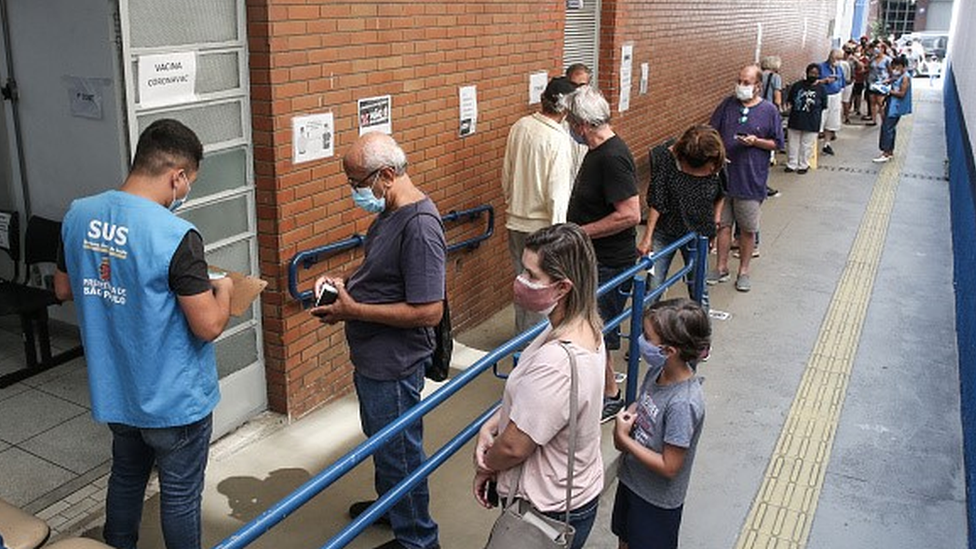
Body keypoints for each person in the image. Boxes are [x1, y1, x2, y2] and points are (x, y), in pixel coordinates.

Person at [54, 119, 234, 549]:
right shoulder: (176, 235)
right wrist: (224, 290)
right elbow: (208, 325)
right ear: (178, 176)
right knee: (179, 494)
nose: (186, 191)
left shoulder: (79, 213)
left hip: (117, 389)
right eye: (188, 182)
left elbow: (62, 289)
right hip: (174, 400)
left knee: (127, 476)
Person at [312, 132, 445, 549]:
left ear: (387, 174)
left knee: (401, 454)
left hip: (395, 363)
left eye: (356, 183)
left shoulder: (421, 227)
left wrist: (353, 311)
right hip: (374, 359)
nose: (354, 192)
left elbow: (429, 311)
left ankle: (418, 540)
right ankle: (392, 507)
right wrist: (346, 282)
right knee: (384, 444)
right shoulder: (389, 213)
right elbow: (383, 271)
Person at [473, 223, 606, 549]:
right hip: (573, 494)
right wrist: (494, 423)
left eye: (532, 276)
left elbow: (515, 447)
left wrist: (487, 466)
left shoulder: (556, 363)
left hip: (545, 511)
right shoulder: (585, 325)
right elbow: (540, 407)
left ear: (562, 288)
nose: (521, 281)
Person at [564, 85, 641, 422]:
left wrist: (581, 231)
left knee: (598, 330)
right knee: (594, 327)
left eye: (570, 120)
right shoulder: (598, 152)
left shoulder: (612, 156)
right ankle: (604, 390)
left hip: (608, 262)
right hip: (595, 259)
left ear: (582, 124)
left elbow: (630, 214)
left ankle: (610, 396)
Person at [610, 298, 709, 549]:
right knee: (625, 538)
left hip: (656, 501)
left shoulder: (683, 404)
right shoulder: (658, 371)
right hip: (632, 482)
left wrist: (624, 441)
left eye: (647, 336)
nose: (641, 340)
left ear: (669, 350)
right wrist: (630, 414)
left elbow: (670, 466)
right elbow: (643, 402)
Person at [501, 76, 577, 333]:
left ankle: (520, 340)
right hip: (544, 228)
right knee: (544, 290)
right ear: (566, 108)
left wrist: (512, 203)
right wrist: (560, 236)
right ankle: (533, 347)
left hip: (515, 220)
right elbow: (557, 193)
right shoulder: (558, 140)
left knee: (523, 285)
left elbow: (506, 174)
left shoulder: (520, 126)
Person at [708, 65, 784, 293]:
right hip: (725, 177)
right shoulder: (727, 105)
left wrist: (756, 142)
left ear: (758, 86)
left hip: (751, 179)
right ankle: (721, 267)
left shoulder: (769, 111)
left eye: (746, 82)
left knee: (747, 229)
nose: (741, 86)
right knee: (722, 225)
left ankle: (743, 270)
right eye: (739, 81)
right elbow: (712, 131)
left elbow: (777, 143)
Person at [637, 125, 725, 309]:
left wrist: (715, 223)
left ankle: (701, 333)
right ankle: (645, 333)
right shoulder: (667, 160)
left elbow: (721, 193)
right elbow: (657, 201)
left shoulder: (716, 160)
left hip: (699, 233)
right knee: (653, 286)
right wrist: (647, 237)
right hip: (666, 230)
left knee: (698, 289)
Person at [785, 64, 828, 174]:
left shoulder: (821, 89)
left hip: (812, 121)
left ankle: (803, 164)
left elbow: (824, 105)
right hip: (796, 119)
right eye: (811, 73)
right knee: (792, 144)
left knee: (807, 145)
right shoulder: (797, 86)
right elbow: (790, 100)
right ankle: (792, 164)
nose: (813, 75)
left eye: (816, 74)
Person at [873, 56, 913, 164]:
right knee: (890, 128)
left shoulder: (905, 77)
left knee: (887, 128)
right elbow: (894, 79)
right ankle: (889, 151)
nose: (894, 69)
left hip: (895, 107)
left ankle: (886, 152)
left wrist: (888, 91)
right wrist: (886, 82)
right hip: (892, 105)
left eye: (896, 66)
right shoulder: (901, 75)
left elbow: (901, 93)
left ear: (901, 66)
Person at [565, 63, 593, 181]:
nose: (577, 90)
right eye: (573, 85)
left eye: (582, 85)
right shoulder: (561, 108)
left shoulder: (595, 109)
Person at [818, 49, 846, 155]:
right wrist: (824, 81)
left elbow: (842, 83)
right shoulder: (820, 67)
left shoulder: (839, 69)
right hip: (824, 96)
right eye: (836, 59)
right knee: (821, 120)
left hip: (836, 96)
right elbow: (813, 81)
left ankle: (827, 144)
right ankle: (813, 145)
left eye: (839, 59)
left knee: (832, 122)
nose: (837, 61)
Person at [865, 41, 892, 126]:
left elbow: (890, 71)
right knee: (872, 101)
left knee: (880, 102)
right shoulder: (873, 58)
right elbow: (868, 68)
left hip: (881, 82)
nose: (877, 49)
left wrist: (888, 80)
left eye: (879, 47)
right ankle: (873, 120)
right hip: (872, 82)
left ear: (883, 49)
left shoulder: (887, 59)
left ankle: (884, 121)